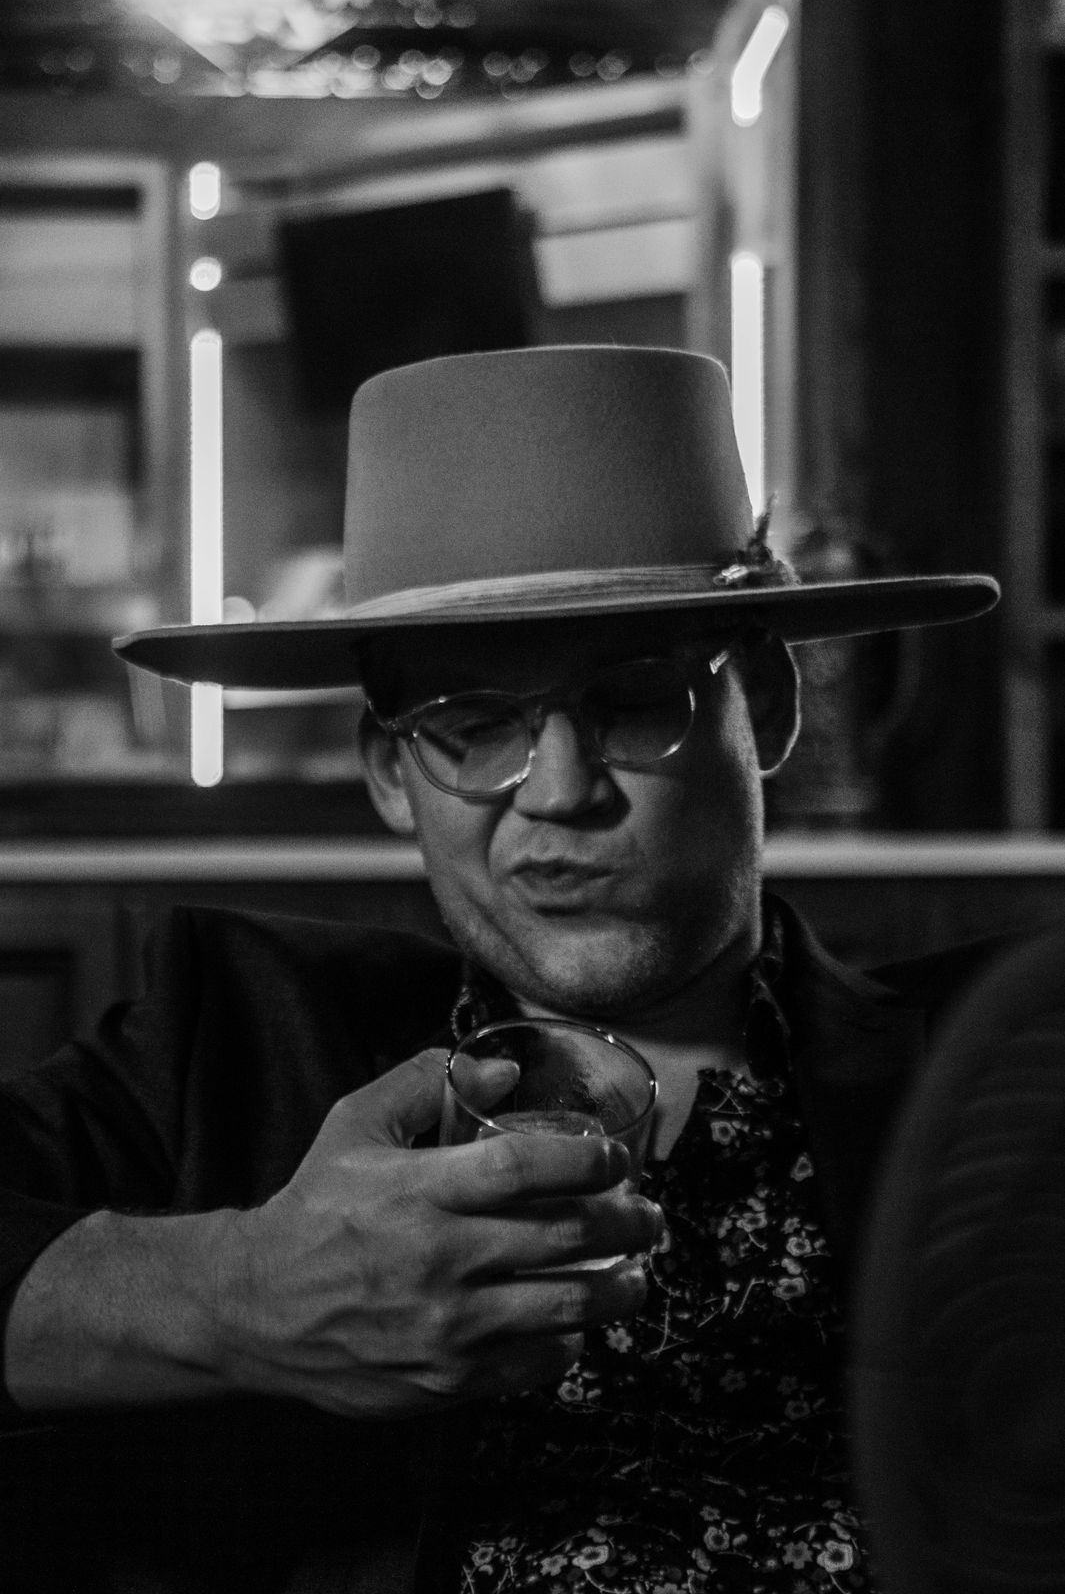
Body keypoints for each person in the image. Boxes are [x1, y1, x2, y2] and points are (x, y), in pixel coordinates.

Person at [0, 347, 1000, 1594]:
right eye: (472, 727)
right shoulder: (231, 1039)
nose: (561, 791)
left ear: (769, 706)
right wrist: (241, 1291)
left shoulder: (997, 1077)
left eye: (636, 701)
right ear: (389, 775)